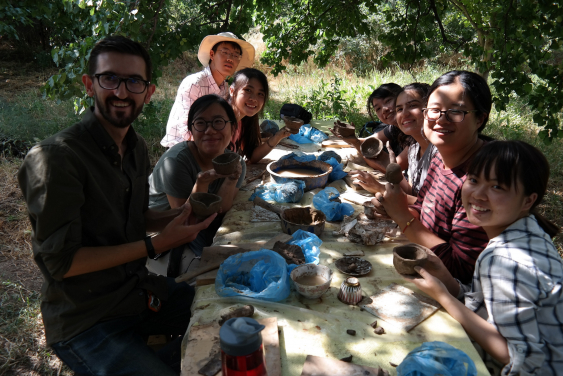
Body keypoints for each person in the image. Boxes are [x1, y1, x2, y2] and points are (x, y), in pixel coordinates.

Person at [17, 36, 216, 375]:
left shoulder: (136, 147)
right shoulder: (57, 158)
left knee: (225, 312)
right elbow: (62, 263)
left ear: (148, 92)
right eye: (109, 78)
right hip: (87, 318)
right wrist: (156, 244)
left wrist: (180, 214)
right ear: (89, 85)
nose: (122, 92)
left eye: (134, 81)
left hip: (136, 293)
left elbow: (136, 216)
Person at [411, 140, 563, 376]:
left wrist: (443, 297)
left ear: (528, 201)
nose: (479, 195)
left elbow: (514, 356)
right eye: (473, 180)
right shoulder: (527, 231)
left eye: (497, 187)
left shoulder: (506, 260)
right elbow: (490, 307)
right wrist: (449, 283)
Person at [372, 71, 491, 285]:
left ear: (480, 119)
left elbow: (460, 270)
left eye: (456, 111)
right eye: (434, 110)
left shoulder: (484, 178)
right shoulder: (441, 156)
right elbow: (425, 206)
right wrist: (394, 207)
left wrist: (402, 216)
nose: (440, 120)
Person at [148, 94, 246, 277]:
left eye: (218, 122)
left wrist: (231, 180)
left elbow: (222, 208)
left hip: (201, 227)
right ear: (191, 130)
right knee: (219, 276)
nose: (209, 131)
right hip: (161, 237)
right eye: (201, 123)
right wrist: (201, 183)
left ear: (233, 127)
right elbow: (184, 221)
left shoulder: (237, 163)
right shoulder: (176, 162)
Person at [161, 32, 255, 147]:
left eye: (236, 55)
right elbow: (187, 131)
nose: (230, 59)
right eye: (225, 52)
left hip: (205, 148)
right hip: (182, 150)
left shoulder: (224, 88)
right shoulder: (195, 84)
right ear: (212, 54)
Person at [349, 83, 437, 196]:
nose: (404, 113)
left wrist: (381, 188)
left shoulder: (440, 153)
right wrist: (352, 139)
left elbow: (429, 207)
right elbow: (412, 192)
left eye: (412, 105)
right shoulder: (414, 150)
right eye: (400, 109)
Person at [329, 83, 405, 172]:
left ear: (402, 98)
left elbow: (394, 169)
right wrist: (351, 138)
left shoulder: (413, 133)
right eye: (378, 109)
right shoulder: (394, 128)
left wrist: (356, 143)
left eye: (388, 101)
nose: (384, 110)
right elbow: (369, 141)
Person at [228, 68, 291, 164]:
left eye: (260, 94)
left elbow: (252, 156)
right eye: (248, 90)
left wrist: (277, 137)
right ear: (232, 91)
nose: (254, 99)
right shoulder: (220, 122)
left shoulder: (244, 120)